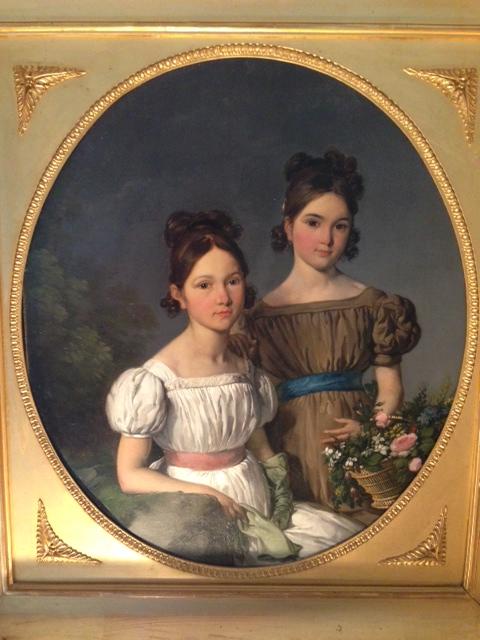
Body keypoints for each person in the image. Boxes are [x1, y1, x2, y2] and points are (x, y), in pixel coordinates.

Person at [105, 210, 363, 566]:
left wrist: (279, 488)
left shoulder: (245, 368)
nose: (223, 297)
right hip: (200, 516)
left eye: (233, 281)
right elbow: (129, 476)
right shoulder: (155, 379)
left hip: (259, 504)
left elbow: (256, 441)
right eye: (204, 285)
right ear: (178, 294)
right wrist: (206, 493)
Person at [242, 150, 421, 509]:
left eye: (340, 226)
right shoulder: (259, 318)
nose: (327, 238)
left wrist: (368, 431)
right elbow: (251, 406)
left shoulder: (373, 304)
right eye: (313, 222)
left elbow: (391, 389)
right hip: (290, 452)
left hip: (355, 455)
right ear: (288, 225)